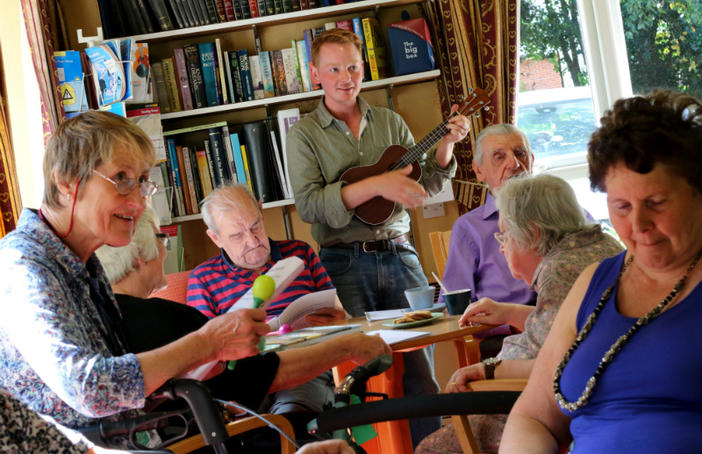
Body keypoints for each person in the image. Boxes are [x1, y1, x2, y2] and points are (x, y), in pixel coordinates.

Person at [0, 111, 270, 446]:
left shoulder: (82, 263)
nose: (140, 202)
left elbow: (117, 390)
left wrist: (197, 361)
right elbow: (90, 389)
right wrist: (206, 342)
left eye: (142, 181)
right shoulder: (22, 265)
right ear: (66, 181)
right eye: (122, 179)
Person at [286, 28, 470, 446]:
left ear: (363, 69)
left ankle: (431, 450)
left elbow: (429, 180)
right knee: (353, 380)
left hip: (401, 256)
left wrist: (445, 148)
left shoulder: (390, 121)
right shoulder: (304, 135)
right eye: (333, 68)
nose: (344, 77)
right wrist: (378, 185)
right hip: (343, 263)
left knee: (421, 375)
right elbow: (311, 206)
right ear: (316, 74)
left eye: (352, 66)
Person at [499, 90, 702, 453]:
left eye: (656, 203)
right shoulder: (595, 283)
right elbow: (533, 418)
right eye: (621, 206)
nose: (638, 223)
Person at [99, 200, 389, 439]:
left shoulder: (97, 321)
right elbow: (265, 374)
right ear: (139, 255)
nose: (165, 248)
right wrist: (349, 346)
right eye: (162, 238)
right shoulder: (164, 319)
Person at [415, 174, 622, 453]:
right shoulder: (603, 245)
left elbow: (559, 365)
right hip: (548, 397)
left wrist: (484, 370)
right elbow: (569, 326)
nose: (501, 246)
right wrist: (509, 312)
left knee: (431, 449)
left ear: (533, 233)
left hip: (528, 407)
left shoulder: (559, 269)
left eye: (504, 235)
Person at [186, 184, 388, 429]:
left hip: (305, 364)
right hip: (246, 376)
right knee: (246, 426)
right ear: (215, 238)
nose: (252, 241)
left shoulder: (299, 253)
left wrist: (336, 319)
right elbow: (204, 357)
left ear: (261, 212)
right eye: (237, 235)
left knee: (290, 420)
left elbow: (340, 315)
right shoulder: (203, 279)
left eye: (255, 226)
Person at [441, 124, 536, 357]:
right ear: (479, 170)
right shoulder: (469, 229)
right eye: (499, 157)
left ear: (532, 159)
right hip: (506, 338)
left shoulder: (563, 210)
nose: (514, 164)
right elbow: (457, 308)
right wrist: (510, 322)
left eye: (520, 153)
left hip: (568, 326)